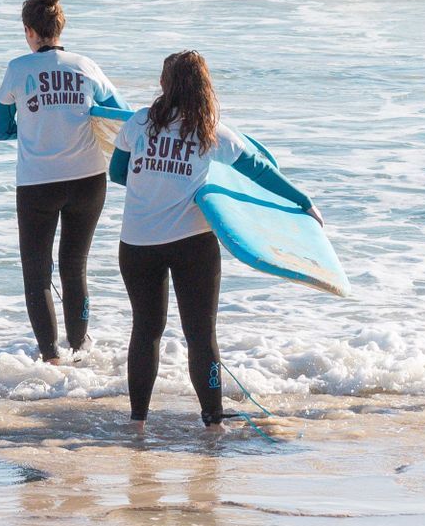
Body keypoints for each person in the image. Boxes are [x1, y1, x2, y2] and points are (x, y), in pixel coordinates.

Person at [110, 51, 314, 429]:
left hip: (137, 243)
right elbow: (259, 170)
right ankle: (212, 420)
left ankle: (137, 420)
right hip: (192, 243)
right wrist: (302, 202)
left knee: (145, 329)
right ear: (205, 87)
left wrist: (156, 182)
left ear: (164, 85)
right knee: (201, 335)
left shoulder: (137, 123)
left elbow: (118, 174)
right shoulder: (212, 132)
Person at [0, 0, 124, 362]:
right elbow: (122, 117)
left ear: (28, 32)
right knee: (74, 266)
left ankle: (50, 357)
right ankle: (80, 348)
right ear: (60, 29)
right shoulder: (86, 66)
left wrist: (31, 128)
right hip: (88, 181)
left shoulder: (18, 69)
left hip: (38, 185)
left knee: (37, 273)